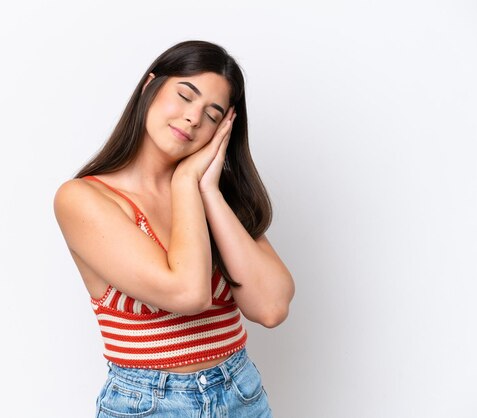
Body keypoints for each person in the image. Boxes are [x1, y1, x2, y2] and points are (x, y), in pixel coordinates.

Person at [53, 40, 295, 417]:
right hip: (150, 404)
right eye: (185, 96)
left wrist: (207, 191)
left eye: (213, 114)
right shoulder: (83, 199)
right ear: (150, 87)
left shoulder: (216, 194)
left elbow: (271, 308)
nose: (193, 118)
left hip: (242, 395)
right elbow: (188, 293)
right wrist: (185, 185)